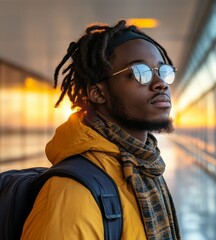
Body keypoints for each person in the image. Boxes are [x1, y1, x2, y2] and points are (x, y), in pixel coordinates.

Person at [21, 20, 181, 240]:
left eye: (163, 71)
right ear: (97, 93)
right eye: (140, 72)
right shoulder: (73, 194)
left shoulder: (146, 169)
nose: (161, 83)